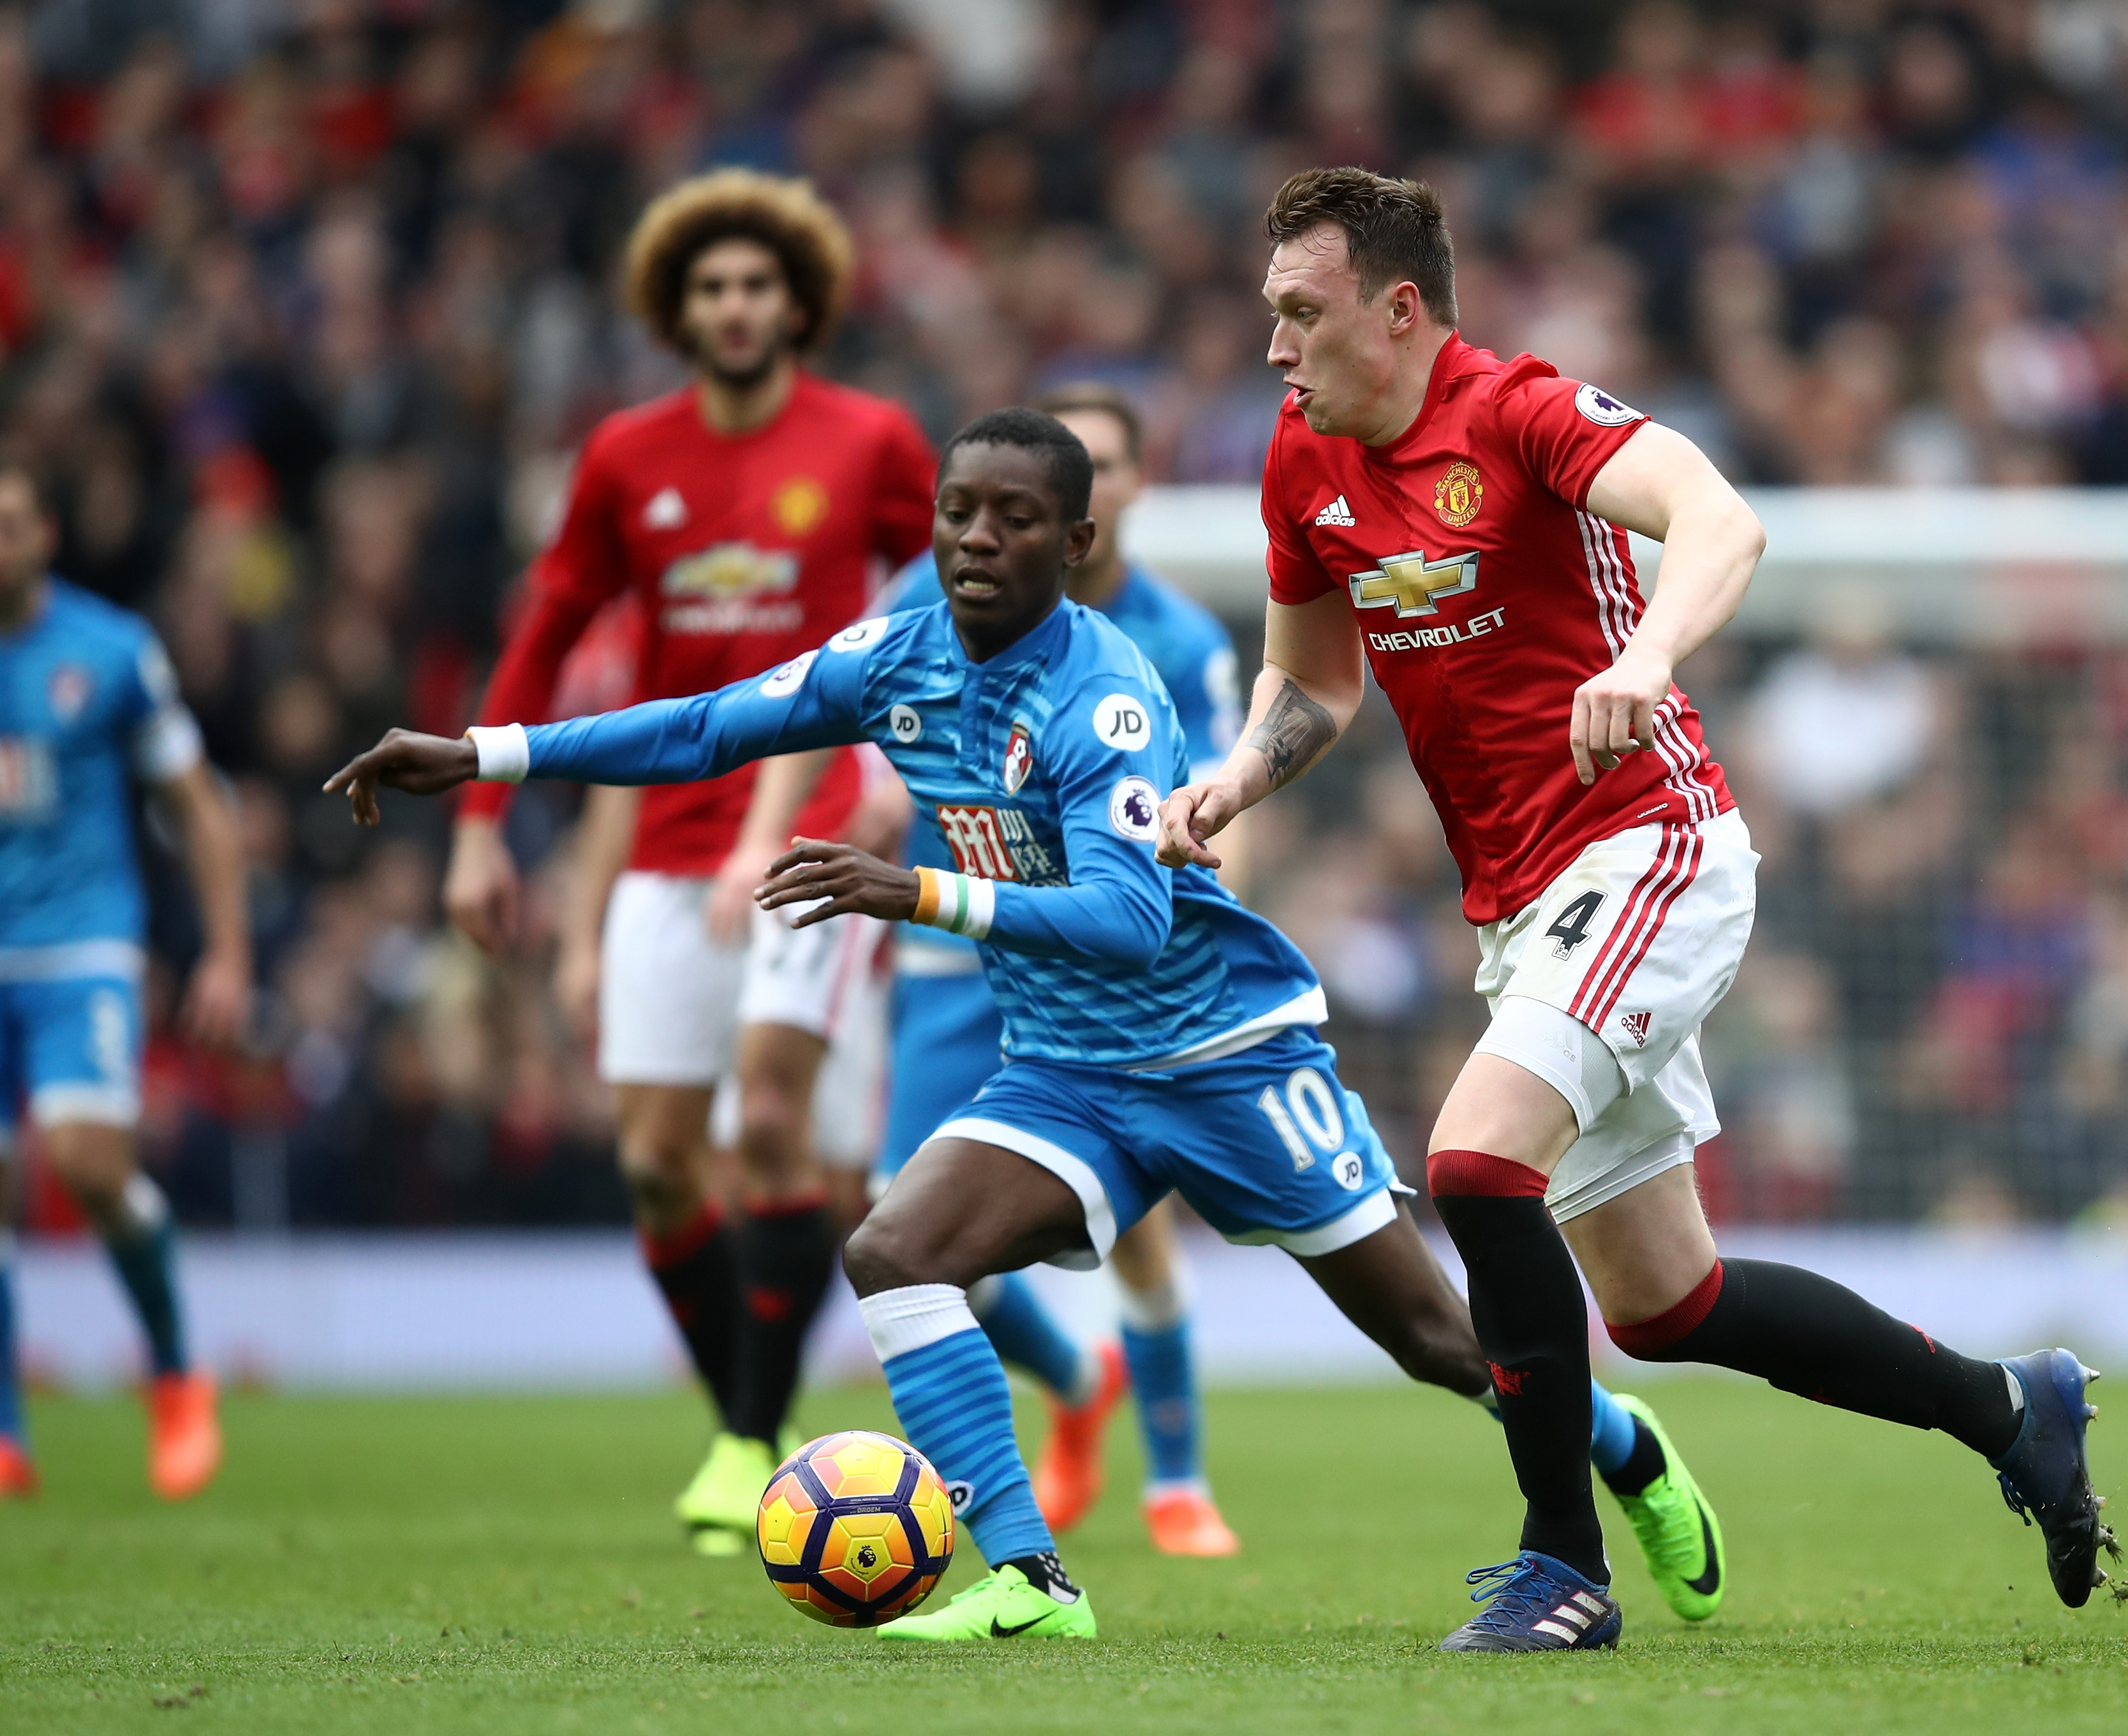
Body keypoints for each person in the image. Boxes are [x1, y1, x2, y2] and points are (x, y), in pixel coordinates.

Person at [325, 409, 1724, 1647]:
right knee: (893, 1247)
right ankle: (1031, 1578)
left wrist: (914, 887)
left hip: (1225, 1054)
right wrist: (487, 754)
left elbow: (1127, 918)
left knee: (1430, 1336)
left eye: (1012, 518)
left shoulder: (1102, 694)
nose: (976, 539)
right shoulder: (899, 650)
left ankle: (1616, 1441)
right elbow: (710, 726)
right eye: (956, 512)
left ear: (1077, 536)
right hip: (1064, 1071)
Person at [1154, 167, 2108, 1650]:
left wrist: (1649, 652)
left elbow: (1717, 519)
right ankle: (2009, 1405)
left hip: (1648, 844)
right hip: (1523, 903)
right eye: (1267, 313)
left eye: (1301, 312)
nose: (1274, 348)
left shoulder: (1518, 407)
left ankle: (1560, 1568)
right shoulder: (1305, 454)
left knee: (1473, 1165)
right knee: (1666, 1305)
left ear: (1399, 310)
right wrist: (1233, 779)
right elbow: (1318, 678)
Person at [443, 169, 938, 1550]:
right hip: (663, 841)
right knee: (661, 1158)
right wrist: (483, 821)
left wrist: (904, 768)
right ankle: (753, 1416)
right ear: (679, 306)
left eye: (756, 285)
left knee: (772, 1126)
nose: (734, 306)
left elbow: (950, 605)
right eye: (711, 286)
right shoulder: (624, 458)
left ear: (797, 301)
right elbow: (544, 643)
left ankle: (740, 1438)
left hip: (818, 828)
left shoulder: (871, 442)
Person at [733, 381, 1246, 1556]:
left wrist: (1213, 913)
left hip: (1104, 966)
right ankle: (1072, 1379)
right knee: (903, 1212)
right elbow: (815, 698)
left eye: (1112, 467)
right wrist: (832, 812)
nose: (1099, 485)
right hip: (949, 953)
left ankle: (1177, 1482)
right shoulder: (939, 589)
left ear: (1117, 497)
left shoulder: (1173, 642)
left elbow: (1221, 805)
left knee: (1139, 1228)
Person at [0, 447, 246, 1506]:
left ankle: (175, 1376)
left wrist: (227, 949)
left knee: (86, 1163)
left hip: (84, 946)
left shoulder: (113, 651)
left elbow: (196, 803)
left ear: (45, 535)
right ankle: (0, 1441)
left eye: (11, 526)